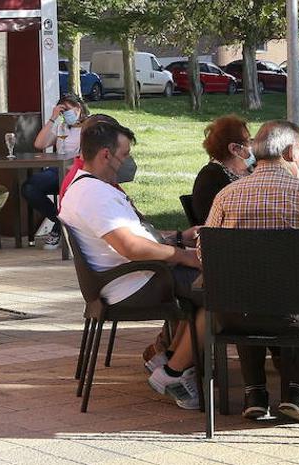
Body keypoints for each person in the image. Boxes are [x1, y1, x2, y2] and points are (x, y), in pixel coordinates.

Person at [203, 120, 299, 423]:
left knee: (247, 289)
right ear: (289, 151)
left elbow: (207, 253)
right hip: (293, 316)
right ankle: (297, 392)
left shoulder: (226, 196)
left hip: (233, 314)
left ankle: (255, 392)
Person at [61, 119, 204, 410]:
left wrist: (176, 239)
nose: (127, 162)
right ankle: (173, 374)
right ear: (105, 155)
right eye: (124, 155)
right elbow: (131, 246)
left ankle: (171, 358)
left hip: (130, 277)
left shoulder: (87, 186)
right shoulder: (95, 194)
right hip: (133, 282)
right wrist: (183, 255)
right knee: (221, 288)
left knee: (206, 283)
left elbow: (134, 235)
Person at [23, 95, 88, 250]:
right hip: (56, 170)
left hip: (77, 172)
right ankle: (60, 222)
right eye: (62, 111)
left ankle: (59, 230)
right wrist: (53, 118)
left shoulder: (89, 127)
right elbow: (40, 144)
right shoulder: (61, 127)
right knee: (29, 187)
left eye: (68, 110)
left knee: (70, 190)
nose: (66, 115)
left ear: (79, 108)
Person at [190, 115, 254, 225]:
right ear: (234, 149)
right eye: (248, 141)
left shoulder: (253, 168)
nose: (252, 145)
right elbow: (210, 222)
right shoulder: (210, 177)